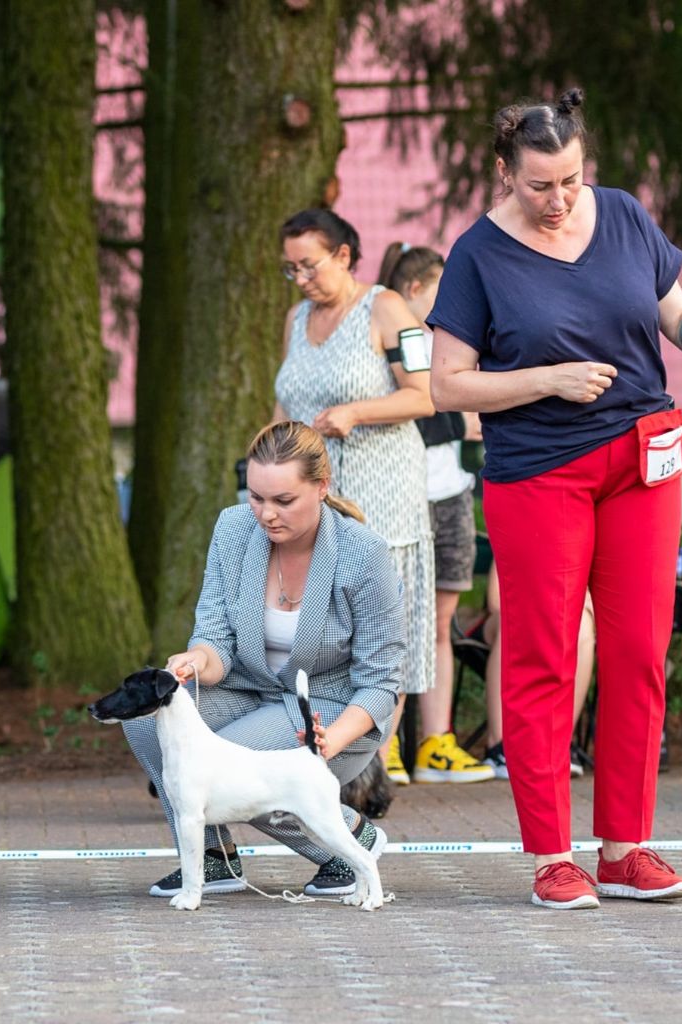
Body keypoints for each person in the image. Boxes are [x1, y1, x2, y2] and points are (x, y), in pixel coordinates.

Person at [427, 88, 682, 910]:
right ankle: (552, 855)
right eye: (540, 185)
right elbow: (445, 382)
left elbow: (670, 310)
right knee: (544, 656)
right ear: (504, 172)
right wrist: (546, 379)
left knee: (639, 653)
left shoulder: (619, 215)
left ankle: (625, 848)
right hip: (539, 470)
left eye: (571, 180)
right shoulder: (476, 254)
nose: (559, 199)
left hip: (640, 461)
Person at [124, 421, 405, 898]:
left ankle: (344, 845)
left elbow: (382, 680)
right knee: (144, 721)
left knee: (232, 766)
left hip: (331, 708)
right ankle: (213, 860)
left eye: (283, 501)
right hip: (246, 688)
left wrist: (331, 738)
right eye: (256, 497)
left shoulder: (365, 554)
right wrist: (195, 660)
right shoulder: (233, 528)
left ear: (322, 486)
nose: (265, 514)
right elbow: (215, 639)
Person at [273, 209, 437, 771]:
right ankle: (321, 751)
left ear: (344, 255)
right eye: (290, 269)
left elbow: (426, 395)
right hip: (311, 501)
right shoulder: (296, 318)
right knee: (321, 632)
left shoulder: (386, 307)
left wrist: (357, 412)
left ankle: (371, 766)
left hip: (379, 495)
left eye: (309, 265)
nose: (300, 279)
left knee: (378, 632)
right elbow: (284, 402)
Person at [377, 241, 493, 784]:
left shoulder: (439, 343)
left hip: (451, 497)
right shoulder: (394, 339)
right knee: (397, 626)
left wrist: (467, 416)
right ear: (416, 290)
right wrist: (454, 417)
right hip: (405, 501)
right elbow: (417, 409)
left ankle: (435, 743)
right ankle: (385, 746)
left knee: (441, 623)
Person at [479, 561, 594, 781]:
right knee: (513, 620)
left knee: (584, 625)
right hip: (506, 620)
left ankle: (560, 744)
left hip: (559, 622)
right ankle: (499, 747)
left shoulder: (581, 543)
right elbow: (495, 601)